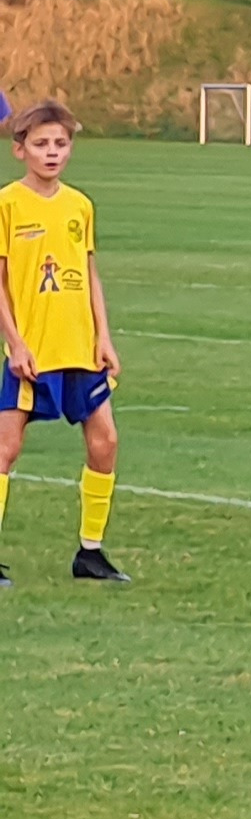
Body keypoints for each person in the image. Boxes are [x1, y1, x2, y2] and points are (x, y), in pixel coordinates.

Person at [0, 102, 122, 585]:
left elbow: (89, 272)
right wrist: (16, 344)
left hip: (80, 344)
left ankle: (90, 553)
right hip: (34, 348)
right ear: (19, 149)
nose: (52, 153)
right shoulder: (8, 203)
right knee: (6, 448)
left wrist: (104, 337)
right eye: (41, 144)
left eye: (60, 144)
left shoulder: (80, 205)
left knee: (106, 440)